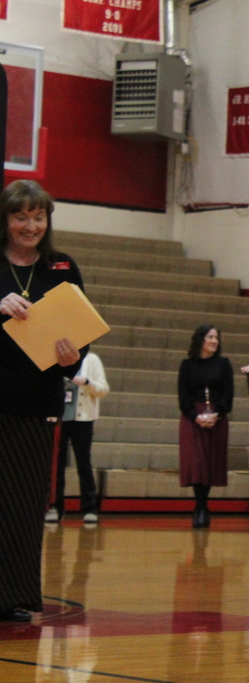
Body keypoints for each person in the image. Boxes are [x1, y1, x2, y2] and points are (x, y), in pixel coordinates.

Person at [0, 180, 85, 622]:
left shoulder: (63, 267)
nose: (30, 226)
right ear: (5, 219)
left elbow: (81, 332)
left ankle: (14, 596)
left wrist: (74, 358)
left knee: (25, 506)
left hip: (37, 404)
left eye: (38, 217)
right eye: (21, 217)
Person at [177, 324, 233, 529]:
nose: (214, 341)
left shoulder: (224, 364)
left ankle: (203, 506)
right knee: (197, 463)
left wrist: (217, 414)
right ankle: (200, 507)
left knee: (209, 464)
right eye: (210, 337)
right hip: (193, 418)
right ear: (200, 339)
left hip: (216, 418)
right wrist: (196, 416)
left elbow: (228, 394)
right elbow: (183, 396)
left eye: (216, 338)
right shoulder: (187, 365)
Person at [47, 351, 109, 524]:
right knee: (56, 466)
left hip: (83, 421)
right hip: (58, 419)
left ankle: (89, 509)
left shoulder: (91, 359)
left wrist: (87, 382)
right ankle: (54, 507)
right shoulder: (54, 358)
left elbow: (103, 389)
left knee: (83, 464)